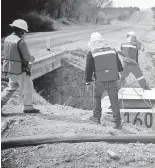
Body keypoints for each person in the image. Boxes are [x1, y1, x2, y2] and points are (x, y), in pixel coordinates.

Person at [85, 32, 124, 129]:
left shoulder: (92, 53)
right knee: (114, 101)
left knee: (97, 97)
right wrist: (121, 77)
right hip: (113, 80)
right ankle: (117, 122)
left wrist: (88, 81)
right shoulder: (112, 50)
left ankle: (96, 118)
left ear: (92, 42)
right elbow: (119, 66)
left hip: (100, 81)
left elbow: (88, 69)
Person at [1, 19, 40, 114]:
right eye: (25, 32)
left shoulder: (7, 39)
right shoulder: (20, 42)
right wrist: (32, 58)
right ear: (21, 31)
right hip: (21, 70)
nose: (25, 34)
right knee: (27, 87)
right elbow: (27, 57)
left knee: (10, 88)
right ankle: (28, 107)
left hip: (10, 69)